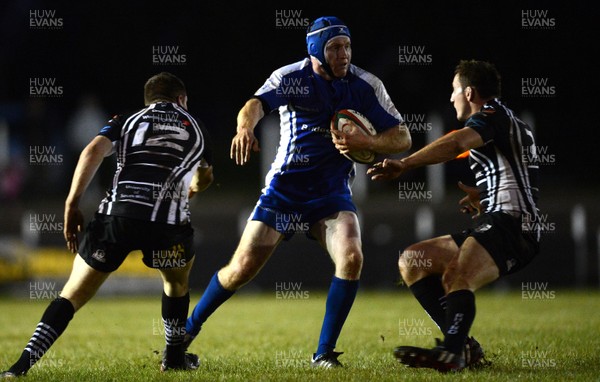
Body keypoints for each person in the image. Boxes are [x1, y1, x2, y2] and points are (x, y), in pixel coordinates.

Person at [183, 16, 411, 368]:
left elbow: (402, 136)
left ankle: (324, 353)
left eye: (347, 46)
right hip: (285, 190)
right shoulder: (292, 77)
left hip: (331, 193)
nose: (344, 54)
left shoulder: (366, 85)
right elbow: (254, 105)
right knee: (240, 268)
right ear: (316, 50)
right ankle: (186, 331)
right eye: (335, 47)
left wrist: (369, 141)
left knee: (352, 258)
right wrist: (245, 129)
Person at [1, 72, 214, 377]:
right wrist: (194, 189)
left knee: (71, 295)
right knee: (176, 284)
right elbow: (205, 175)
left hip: (118, 217)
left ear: (148, 100)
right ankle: (175, 356)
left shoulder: (127, 120)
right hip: (167, 226)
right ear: (181, 99)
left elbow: (92, 151)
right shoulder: (197, 126)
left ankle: (20, 366)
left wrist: (72, 204)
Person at [368, 60, 541, 372]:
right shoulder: (507, 121)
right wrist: (483, 195)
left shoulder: (491, 115)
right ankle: (462, 345)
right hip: (502, 219)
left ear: (470, 92)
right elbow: (521, 175)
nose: (451, 98)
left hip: (512, 224)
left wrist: (404, 164)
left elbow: (457, 142)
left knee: (457, 276)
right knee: (413, 260)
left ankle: (452, 353)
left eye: (454, 91)